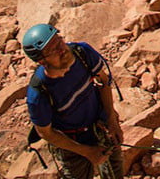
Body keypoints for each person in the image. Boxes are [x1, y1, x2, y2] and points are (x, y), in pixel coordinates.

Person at [21, 23, 125, 179]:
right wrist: (87, 152)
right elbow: (45, 132)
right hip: (71, 142)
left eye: (59, 41)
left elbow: (103, 81)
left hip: (100, 124)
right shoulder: (39, 93)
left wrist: (111, 119)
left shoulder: (82, 52)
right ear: (42, 61)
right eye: (53, 49)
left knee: (115, 172)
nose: (62, 49)